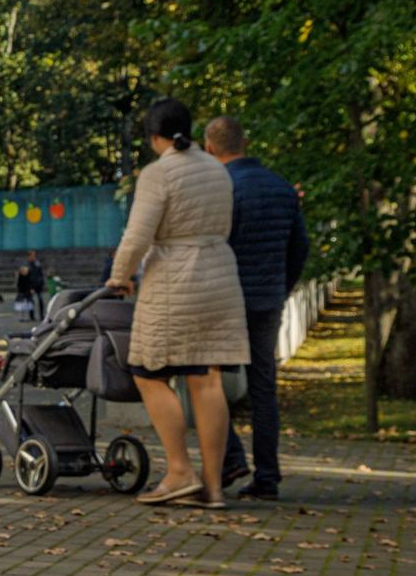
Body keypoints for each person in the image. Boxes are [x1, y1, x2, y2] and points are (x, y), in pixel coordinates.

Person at [108, 97, 248, 510]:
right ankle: (213, 487)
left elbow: (138, 234)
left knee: (148, 372)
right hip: (219, 276)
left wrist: (119, 276)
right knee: (207, 378)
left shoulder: (158, 173)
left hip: (175, 280)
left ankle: (179, 471)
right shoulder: (217, 169)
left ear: (155, 137)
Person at [205, 115, 309, 501]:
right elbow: (300, 246)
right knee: (264, 388)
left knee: (205, 378)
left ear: (210, 148)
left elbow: (215, 246)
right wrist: (282, 287)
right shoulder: (281, 187)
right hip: (267, 300)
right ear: (244, 142)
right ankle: (268, 477)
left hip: (227, 300)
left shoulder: (222, 188)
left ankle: (231, 457)